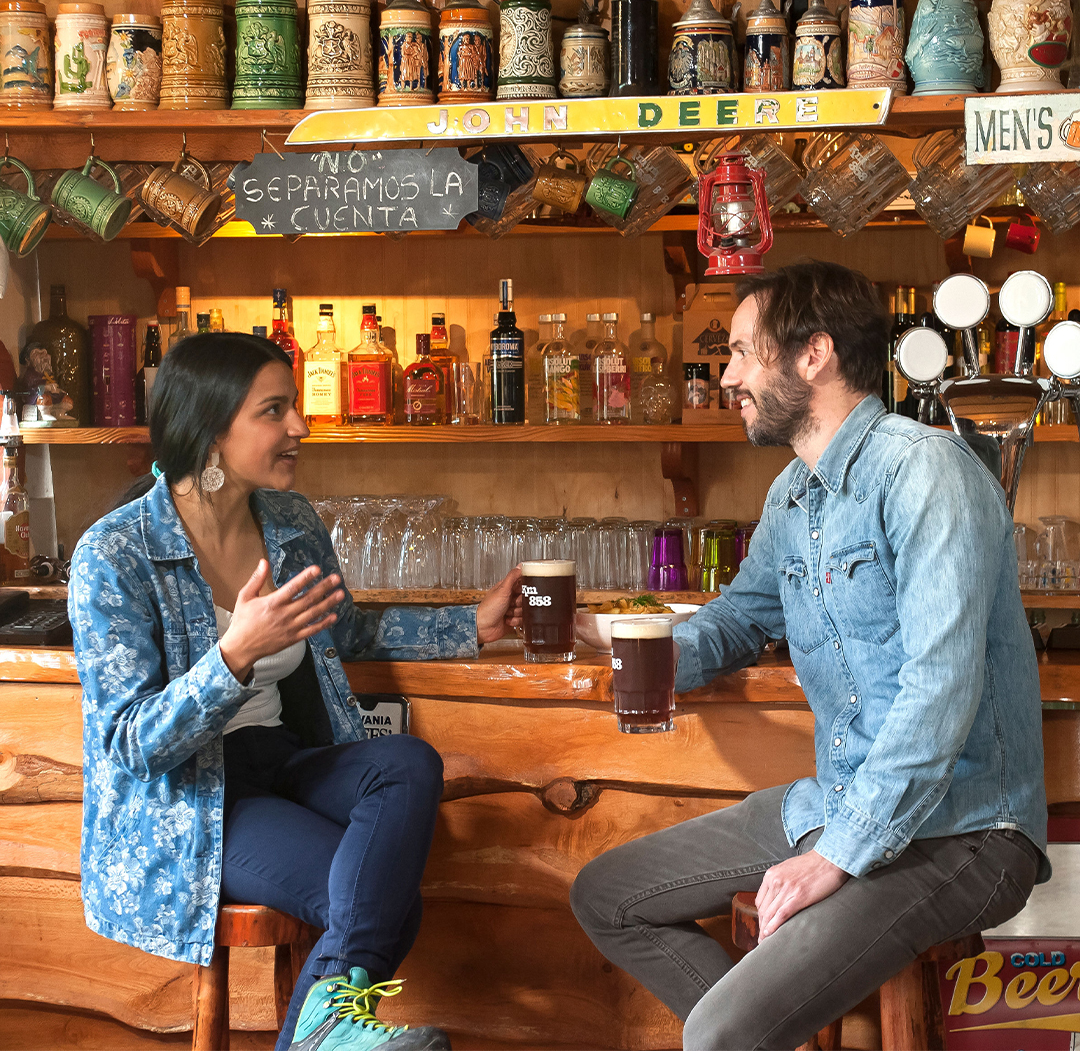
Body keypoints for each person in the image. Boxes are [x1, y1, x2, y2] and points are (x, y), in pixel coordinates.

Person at [571, 261, 1049, 1050]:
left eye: (740, 354)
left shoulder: (926, 472)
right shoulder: (794, 495)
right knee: (607, 895)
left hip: (964, 831)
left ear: (812, 355)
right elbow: (731, 626)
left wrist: (838, 854)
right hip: (838, 801)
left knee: (718, 1033)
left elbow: (939, 692)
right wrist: (618, 638)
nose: (726, 377)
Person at [69, 333, 523, 1051]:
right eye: (274, 411)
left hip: (284, 759)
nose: (300, 426)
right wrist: (234, 655)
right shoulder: (113, 554)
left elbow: (342, 631)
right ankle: (329, 1028)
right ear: (211, 431)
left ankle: (325, 1026)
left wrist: (474, 624)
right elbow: (129, 745)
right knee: (378, 904)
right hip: (195, 799)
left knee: (408, 764)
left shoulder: (290, 522)